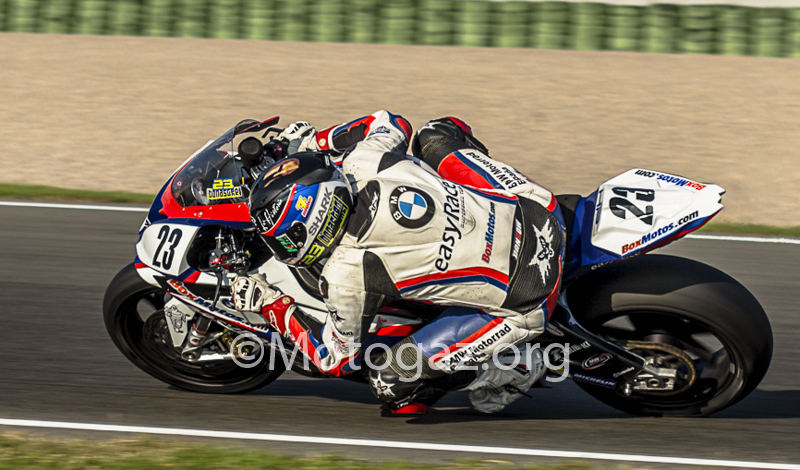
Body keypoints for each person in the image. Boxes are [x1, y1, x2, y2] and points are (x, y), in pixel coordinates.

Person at [232, 110, 567, 415]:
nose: (280, 246)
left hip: (529, 299)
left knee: (389, 381)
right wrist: (314, 141)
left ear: (313, 225)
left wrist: (272, 305)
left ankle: (516, 367)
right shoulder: (363, 161)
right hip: (539, 208)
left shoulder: (345, 274)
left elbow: (335, 358)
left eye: (284, 237)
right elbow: (389, 122)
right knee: (435, 132)